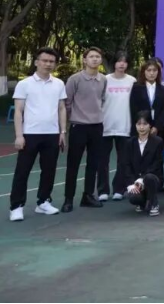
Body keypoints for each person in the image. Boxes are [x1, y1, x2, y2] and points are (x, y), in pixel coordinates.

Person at [9, 48, 67, 222]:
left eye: (51, 61)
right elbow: (18, 111)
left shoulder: (59, 84)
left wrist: (62, 132)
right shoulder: (24, 84)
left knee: (49, 170)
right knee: (22, 171)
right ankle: (16, 207)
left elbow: (61, 108)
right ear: (36, 62)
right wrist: (19, 135)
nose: (48, 64)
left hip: (52, 134)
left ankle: (43, 202)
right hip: (30, 134)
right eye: (44, 60)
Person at [62, 47, 108, 213]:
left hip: (97, 126)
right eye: (91, 56)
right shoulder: (75, 79)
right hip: (78, 126)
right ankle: (68, 199)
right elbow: (67, 102)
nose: (95, 59)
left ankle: (88, 196)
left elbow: (102, 99)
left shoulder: (103, 79)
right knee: (73, 164)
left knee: (93, 164)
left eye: (97, 56)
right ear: (84, 60)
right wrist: (72, 119)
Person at [99, 52, 136, 202]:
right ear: (114, 63)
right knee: (102, 161)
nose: (122, 64)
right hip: (105, 126)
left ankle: (119, 189)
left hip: (125, 126)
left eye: (125, 62)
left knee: (123, 161)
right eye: (119, 61)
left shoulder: (132, 81)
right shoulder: (104, 80)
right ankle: (102, 190)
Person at [122, 111, 164, 217]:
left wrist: (142, 178)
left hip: (153, 178)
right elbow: (126, 165)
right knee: (133, 197)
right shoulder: (129, 143)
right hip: (136, 180)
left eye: (145, 124)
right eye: (139, 124)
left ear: (150, 125)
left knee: (149, 178)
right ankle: (142, 202)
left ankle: (153, 203)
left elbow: (157, 163)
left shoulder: (158, 141)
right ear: (135, 125)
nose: (141, 127)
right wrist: (132, 183)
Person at [129, 59, 164, 138]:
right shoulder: (136, 88)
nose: (152, 73)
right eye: (149, 70)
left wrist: (157, 127)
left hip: (157, 130)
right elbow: (134, 108)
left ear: (158, 72)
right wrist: (142, 125)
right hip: (140, 127)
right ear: (144, 72)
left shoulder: (163, 89)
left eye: (154, 70)